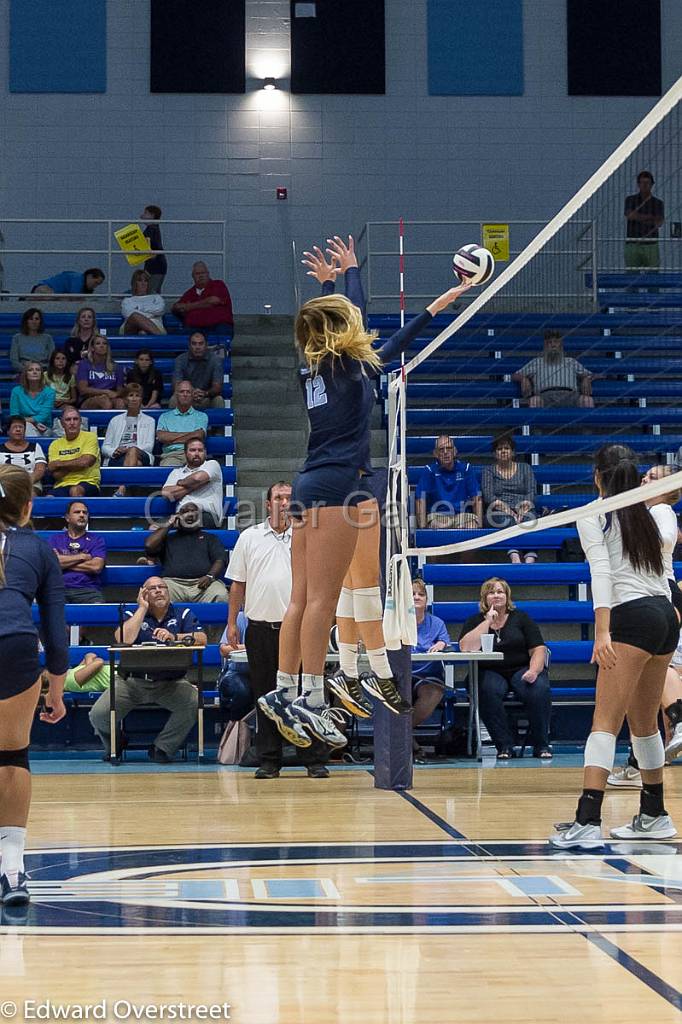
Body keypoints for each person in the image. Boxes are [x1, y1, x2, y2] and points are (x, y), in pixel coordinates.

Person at [258, 233, 472, 750]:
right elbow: (367, 324)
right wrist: (349, 276)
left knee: (304, 600)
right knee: (322, 603)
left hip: (313, 480)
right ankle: (310, 699)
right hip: (336, 486)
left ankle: (285, 690)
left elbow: (371, 327)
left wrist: (336, 283)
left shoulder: (313, 366)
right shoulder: (352, 365)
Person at [550, 444, 679, 850]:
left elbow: (600, 573)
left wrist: (602, 631)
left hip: (630, 617)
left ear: (598, 476)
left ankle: (588, 820)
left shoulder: (594, 514)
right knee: (644, 724)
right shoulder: (658, 513)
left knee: (604, 722)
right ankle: (654, 814)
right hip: (665, 617)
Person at [227, 481, 330, 778]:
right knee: (265, 695)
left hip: (301, 631)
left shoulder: (309, 536)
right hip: (260, 629)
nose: (285, 502)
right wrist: (232, 622)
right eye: (279, 497)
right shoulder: (250, 537)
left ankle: (314, 759)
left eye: (289, 497)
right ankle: (269, 760)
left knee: (306, 694)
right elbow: (238, 584)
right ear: (268, 503)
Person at [0, 465, 68, 908]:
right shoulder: (39, 549)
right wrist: (56, 691)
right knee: (11, 755)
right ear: (28, 507)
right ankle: (12, 869)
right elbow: (57, 633)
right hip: (14, 645)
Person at [608, 464, 682, 785]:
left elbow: (666, 539)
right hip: (649, 596)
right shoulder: (642, 512)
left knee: (656, 672)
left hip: (658, 593)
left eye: (652, 478)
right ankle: (638, 762)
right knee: (640, 689)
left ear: (668, 489)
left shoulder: (661, 508)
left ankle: (678, 720)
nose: (644, 480)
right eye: (645, 476)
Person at [89, 578, 206, 763]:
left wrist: (175, 636)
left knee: (194, 702)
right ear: (143, 593)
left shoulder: (183, 613)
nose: (159, 591)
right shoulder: (132, 612)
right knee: (99, 714)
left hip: (171, 683)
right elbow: (123, 639)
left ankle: (162, 747)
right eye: (153, 589)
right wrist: (142, 608)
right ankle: (116, 743)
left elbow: (202, 638)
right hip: (131, 683)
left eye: (162, 587)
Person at [460, 577, 551, 760]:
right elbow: (466, 647)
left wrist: (533, 671)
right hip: (489, 670)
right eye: (491, 592)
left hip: (521, 668)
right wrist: (487, 622)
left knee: (539, 689)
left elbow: (539, 648)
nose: (496, 595)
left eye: (500, 591)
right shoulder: (475, 621)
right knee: (487, 690)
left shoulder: (521, 618)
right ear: (484, 598)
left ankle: (541, 744)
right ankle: (504, 746)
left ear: (507, 596)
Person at [144, 502, 228, 603]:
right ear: (178, 516)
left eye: (193, 511)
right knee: (159, 596)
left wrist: (210, 576)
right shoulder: (168, 538)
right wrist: (169, 524)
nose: (190, 514)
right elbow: (149, 545)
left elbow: (220, 559)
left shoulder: (210, 538)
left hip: (204, 584)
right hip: (173, 584)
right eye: (185, 511)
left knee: (221, 594)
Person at [410, 578, 452, 757]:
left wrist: (441, 643)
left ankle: (401, 734)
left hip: (428, 674)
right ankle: (407, 739)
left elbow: (446, 641)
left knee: (434, 691)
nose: (417, 597)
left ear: (427, 599)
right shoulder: (396, 622)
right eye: (412, 594)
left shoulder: (437, 623)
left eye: (421, 594)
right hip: (402, 674)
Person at [481, 435, 538, 564]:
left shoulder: (525, 468)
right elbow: (489, 496)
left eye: (506, 448)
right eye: (499, 448)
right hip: (497, 511)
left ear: (513, 452)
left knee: (530, 519)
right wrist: (509, 511)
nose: (503, 451)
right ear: (495, 453)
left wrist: (522, 509)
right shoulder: (488, 471)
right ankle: (514, 555)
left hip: (523, 507)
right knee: (508, 520)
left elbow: (531, 491)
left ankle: (530, 557)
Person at [512, 330, 594, 408]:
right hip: (545, 396)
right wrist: (523, 378)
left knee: (587, 401)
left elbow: (592, 375)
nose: (553, 345)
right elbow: (514, 375)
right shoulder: (536, 362)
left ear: (560, 345)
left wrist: (587, 378)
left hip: (570, 395)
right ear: (545, 346)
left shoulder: (571, 361)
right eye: (549, 342)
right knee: (534, 401)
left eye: (556, 342)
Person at [415, 435, 482, 529]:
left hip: (462, 515)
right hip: (438, 515)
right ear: (435, 453)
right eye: (441, 449)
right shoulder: (429, 471)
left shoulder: (466, 469)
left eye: (449, 448)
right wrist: (422, 529)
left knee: (471, 526)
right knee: (442, 525)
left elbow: (476, 498)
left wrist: (479, 526)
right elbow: (420, 499)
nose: (446, 452)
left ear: (455, 451)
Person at [101, 384, 156, 497]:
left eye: (137, 395)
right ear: (125, 399)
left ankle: (121, 488)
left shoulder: (150, 420)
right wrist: (114, 451)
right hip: (118, 457)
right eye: (131, 395)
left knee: (133, 450)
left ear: (141, 399)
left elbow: (149, 446)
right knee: (138, 464)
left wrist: (129, 450)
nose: (134, 398)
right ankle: (129, 490)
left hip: (142, 454)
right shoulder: (115, 420)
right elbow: (105, 446)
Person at [48, 500, 106, 604]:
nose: (82, 515)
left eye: (85, 512)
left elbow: (96, 567)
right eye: (77, 512)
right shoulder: (54, 539)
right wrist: (82, 557)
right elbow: (51, 564)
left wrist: (62, 562)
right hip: (59, 589)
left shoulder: (97, 540)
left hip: (88, 591)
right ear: (67, 518)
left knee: (100, 612)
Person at [161, 439, 224, 528]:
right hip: (181, 514)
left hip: (207, 515)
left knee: (186, 523)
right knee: (154, 528)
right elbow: (167, 494)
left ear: (205, 452)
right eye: (192, 450)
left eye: (200, 450)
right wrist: (196, 485)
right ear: (185, 453)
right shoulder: (176, 472)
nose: (197, 453)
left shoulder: (212, 465)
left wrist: (180, 482)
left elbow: (197, 478)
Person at [47, 406, 101, 497]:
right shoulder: (55, 444)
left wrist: (59, 464)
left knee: (75, 490)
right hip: (62, 485)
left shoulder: (90, 437)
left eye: (75, 419)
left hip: (88, 483)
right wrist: (77, 462)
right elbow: (56, 474)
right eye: (68, 420)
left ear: (80, 421)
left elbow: (85, 462)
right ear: (62, 423)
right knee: (48, 499)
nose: (72, 423)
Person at [171, 261, 233, 335]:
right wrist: (179, 307)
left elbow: (213, 301)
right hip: (195, 328)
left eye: (203, 273)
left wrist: (189, 306)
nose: (201, 276)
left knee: (223, 333)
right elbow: (176, 307)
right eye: (197, 274)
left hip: (218, 326)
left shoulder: (218, 284)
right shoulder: (189, 293)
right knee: (176, 335)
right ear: (193, 276)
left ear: (208, 274)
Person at [156, 382, 208, 467]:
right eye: (182, 391)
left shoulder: (202, 416)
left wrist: (171, 439)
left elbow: (198, 435)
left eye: (188, 392)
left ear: (192, 395)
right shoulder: (164, 417)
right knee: (168, 471)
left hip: (195, 454)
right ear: (176, 395)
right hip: (172, 455)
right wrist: (190, 435)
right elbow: (162, 437)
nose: (185, 394)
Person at [171, 332, 224, 409]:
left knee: (219, 400)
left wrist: (205, 393)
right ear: (189, 345)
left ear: (206, 345)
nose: (197, 347)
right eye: (194, 344)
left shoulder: (215, 360)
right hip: (186, 396)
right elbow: (177, 386)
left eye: (201, 343)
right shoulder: (180, 359)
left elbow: (217, 387)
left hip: (207, 397)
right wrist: (191, 393)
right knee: (174, 399)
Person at [624, 170, 664, 270]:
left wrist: (638, 217)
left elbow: (659, 222)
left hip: (651, 244)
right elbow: (630, 215)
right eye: (642, 183)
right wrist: (650, 217)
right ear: (638, 184)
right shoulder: (630, 200)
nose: (645, 185)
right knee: (631, 276)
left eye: (648, 183)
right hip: (633, 243)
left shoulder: (658, 203)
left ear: (652, 185)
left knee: (653, 278)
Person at [76, 335, 125, 410]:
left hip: (109, 397)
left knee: (120, 402)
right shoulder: (84, 364)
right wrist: (105, 392)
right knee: (104, 402)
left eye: (104, 343)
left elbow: (120, 390)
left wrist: (115, 394)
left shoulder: (116, 367)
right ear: (92, 348)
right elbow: (83, 390)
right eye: (98, 343)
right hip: (88, 399)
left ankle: (117, 422)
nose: (102, 346)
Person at [0, 416, 46, 493]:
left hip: (31, 484)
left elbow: (40, 469)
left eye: (21, 427)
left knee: (28, 495)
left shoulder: (35, 447)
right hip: (6, 484)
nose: (18, 429)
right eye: (15, 427)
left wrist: (25, 482)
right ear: (8, 431)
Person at [9, 362, 56, 436]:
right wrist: (32, 422)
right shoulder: (16, 391)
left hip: (44, 427)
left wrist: (25, 420)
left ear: (41, 374)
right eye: (30, 370)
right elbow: (14, 415)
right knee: (26, 427)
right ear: (25, 374)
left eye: (38, 370)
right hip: (21, 426)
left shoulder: (50, 392)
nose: (34, 372)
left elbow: (43, 416)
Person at [120, 269, 166, 335]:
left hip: (155, 325)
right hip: (131, 328)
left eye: (146, 281)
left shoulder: (156, 298)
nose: (143, 283)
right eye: (140, 280)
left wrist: (138, 308)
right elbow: (128, 314)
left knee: (143, 332)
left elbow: (160, 310)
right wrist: (151, 314)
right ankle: (162, 340)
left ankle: (158, 337)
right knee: (134, 316)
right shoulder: (127, 301)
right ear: (134, 283)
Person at [9, 308, 54, 372]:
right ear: (26, 321)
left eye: (36, 319)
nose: (34, 321)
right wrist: (26, 369)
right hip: (24, 371)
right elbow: (14, 361)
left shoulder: (48, 338)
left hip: (43, 371)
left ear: (40, 321)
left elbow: (53, 360)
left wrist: (41, 368)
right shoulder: (17, 338)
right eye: (31, 319)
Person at [141, 204, 167, 293]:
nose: (142, 216)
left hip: (155, 267)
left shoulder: (152, 230)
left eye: (145, 213)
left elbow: (154, 250)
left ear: (152, 215)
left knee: (152, 292)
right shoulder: (152, 229)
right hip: (155, 266)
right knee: (152, 291)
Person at [32, 268, 105, 297]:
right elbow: (75, 298)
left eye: (98, 284)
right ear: (89, 276)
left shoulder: (79, 280)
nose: (95, 286)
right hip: (44, 289)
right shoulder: (78, 279)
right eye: (96, 283)